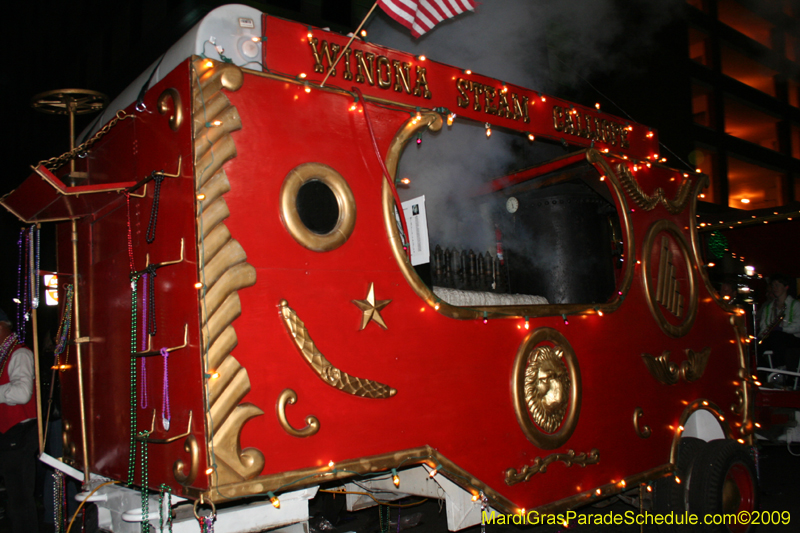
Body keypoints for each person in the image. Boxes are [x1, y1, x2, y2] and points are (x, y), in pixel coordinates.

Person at [0, 307, 39, 533]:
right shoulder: (5, 355)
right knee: (16, 497)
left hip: (20, 432)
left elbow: (23, 393)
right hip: (9, 433)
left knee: (20, 498)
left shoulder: (19, 353)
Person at [758, 274, 800, 375]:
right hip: (774, 338)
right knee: (757, 347)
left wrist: (782, 328)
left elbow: (798, 324)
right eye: (773, 285)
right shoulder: (768, 307)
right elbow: (764, 325)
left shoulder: (795, 305)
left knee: (778, 337)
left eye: (778, 285)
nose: (774, 288)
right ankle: (766, 373)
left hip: (792, 338)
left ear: (786, 287)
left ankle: (781, 368)